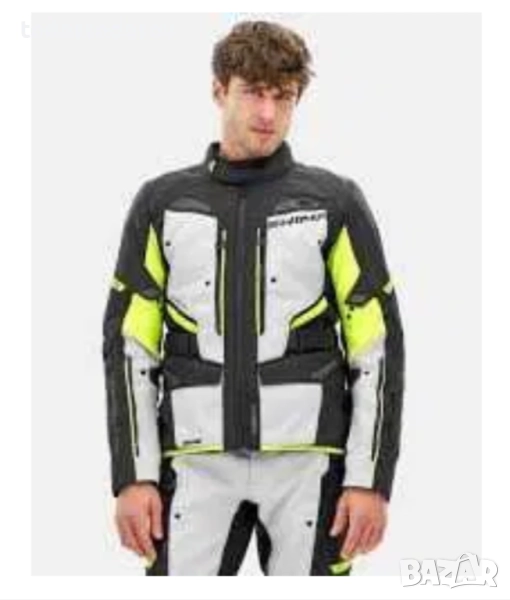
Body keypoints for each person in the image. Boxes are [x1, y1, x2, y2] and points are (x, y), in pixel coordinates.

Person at [102, 19, 405, 576]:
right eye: (253, 92)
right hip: (193, 463)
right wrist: (133, 476)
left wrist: (369, 480)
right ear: (219, 90)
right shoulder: (161, 203)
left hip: (309, 465)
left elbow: (377, 348)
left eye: (282, 96)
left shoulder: (334, 202)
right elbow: (129, 349)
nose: (268, 113)